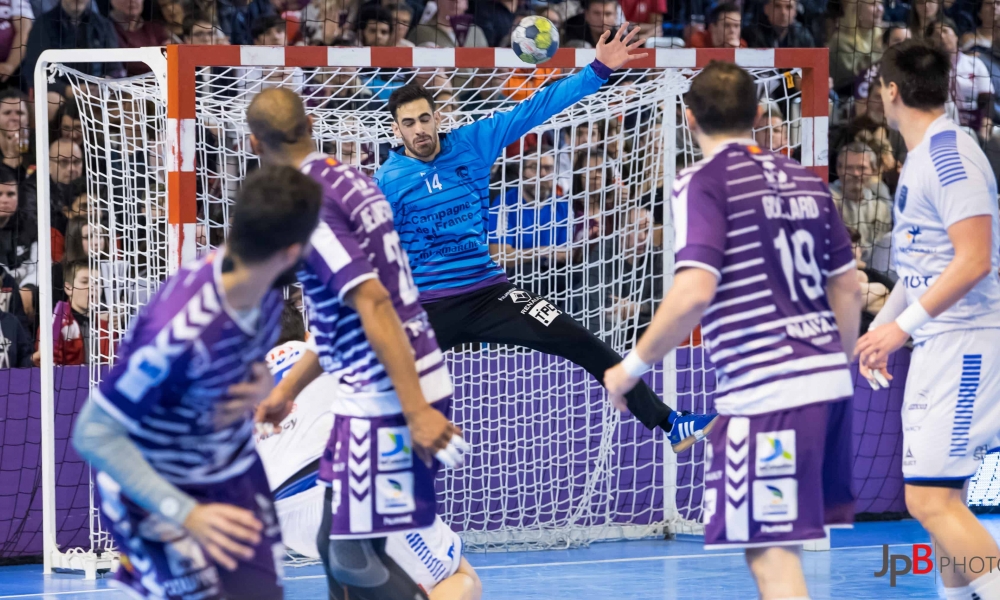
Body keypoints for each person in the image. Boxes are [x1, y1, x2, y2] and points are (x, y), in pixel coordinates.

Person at [374, 24, 717, 452]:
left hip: (488, 294)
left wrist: (597, 70)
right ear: (396, 131)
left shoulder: (472, 143)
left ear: (438, 116)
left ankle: (670, 423)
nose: (420, 129)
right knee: (380, 392)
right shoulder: (387, 180)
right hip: (428, 305)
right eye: (409, 123)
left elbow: (535, 108)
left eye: (425, 118)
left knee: (577, 337)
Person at [604, 60, 861, 600]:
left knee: (771, 558)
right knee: (775, 551)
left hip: (769, 392)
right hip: (829, 386)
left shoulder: (700, 181)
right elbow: (848, 289)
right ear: (760, 115)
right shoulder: (804, 180)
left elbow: (694, 291)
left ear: (688, 117)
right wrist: (828, 367)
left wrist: (628, 370)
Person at [246, 88, 477, 600]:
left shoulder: (307, 203)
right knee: (341, 555)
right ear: (310, 122)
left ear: (255, 143)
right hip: (373, 390)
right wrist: (289, 391)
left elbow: (372, 301)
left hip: (387, 395)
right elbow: (336, 322)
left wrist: (415, 409)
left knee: (353, 559)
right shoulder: (352, 177)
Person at [70, 165, 321, 599]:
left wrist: (263, 385)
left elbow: (234, 368)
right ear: (291, 251)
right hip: (156, 488)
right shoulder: (181, 330)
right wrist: (187, 514)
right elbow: (94, 433)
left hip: (225, 467)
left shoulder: (262, 294)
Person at [856, 40, 1000, 600]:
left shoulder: (949, 157)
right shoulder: (921, 158)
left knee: (927, 500)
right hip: (943, 338)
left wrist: (901, 326)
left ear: (891, 92)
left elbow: (975, 257)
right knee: (945, 499)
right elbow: (922, 267)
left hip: (966, 341)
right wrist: (882, 327)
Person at [255, 304, 482, 599]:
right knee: (462, 579)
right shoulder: (325, 347)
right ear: (308, 333)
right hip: (345, 484)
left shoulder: (234, 385)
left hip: (283, 516)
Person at [744, 0, 816, 49]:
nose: (783, 12)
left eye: (788, 7)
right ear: (766, 9)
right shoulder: (751, 34)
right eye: (777, 6)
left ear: (795, 11)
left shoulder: (803, 36)